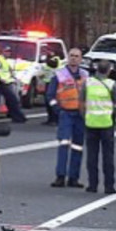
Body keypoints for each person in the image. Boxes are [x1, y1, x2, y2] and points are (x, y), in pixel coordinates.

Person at [81, 60, 116, 194]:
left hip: (90, 122)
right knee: (108, 156)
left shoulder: (88, 83)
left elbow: (81, 102)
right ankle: (109, 186)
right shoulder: (111, 84)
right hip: (106, 124)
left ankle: (92, 185)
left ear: (97, 69)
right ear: (109, 70)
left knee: (91, 156)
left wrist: (84, 116)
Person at [47, 48, 88, 188]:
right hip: (65, 113)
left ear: (81, 59)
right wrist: (57, 110)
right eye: (71, 56)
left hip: (80, 115)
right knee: (63, 144)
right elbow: (50, 95)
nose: (74, 58)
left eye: (77, 56)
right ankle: (60, 176)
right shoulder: (59, 74)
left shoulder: (85, 75)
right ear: (68, 57)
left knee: (78, 146)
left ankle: (73, 178)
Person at [0, 46, 27, 123]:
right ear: (2, 52)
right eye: (7, 51)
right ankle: (18, 117)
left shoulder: (4, 60)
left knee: (11, 100)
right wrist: (0, 78)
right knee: (13, 100)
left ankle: (15, 116)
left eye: (9, 52)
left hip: (7, 82)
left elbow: (7, 71)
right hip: (2, 83)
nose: (9, 53)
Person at [41, 56, 61, 126]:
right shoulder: (46, 67)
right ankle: (50, 119)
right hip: (48, 84)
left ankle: (55, 119)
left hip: (55, 85)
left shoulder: (59, 65)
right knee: (47, 103)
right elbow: (41, 75)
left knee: (52, 102)